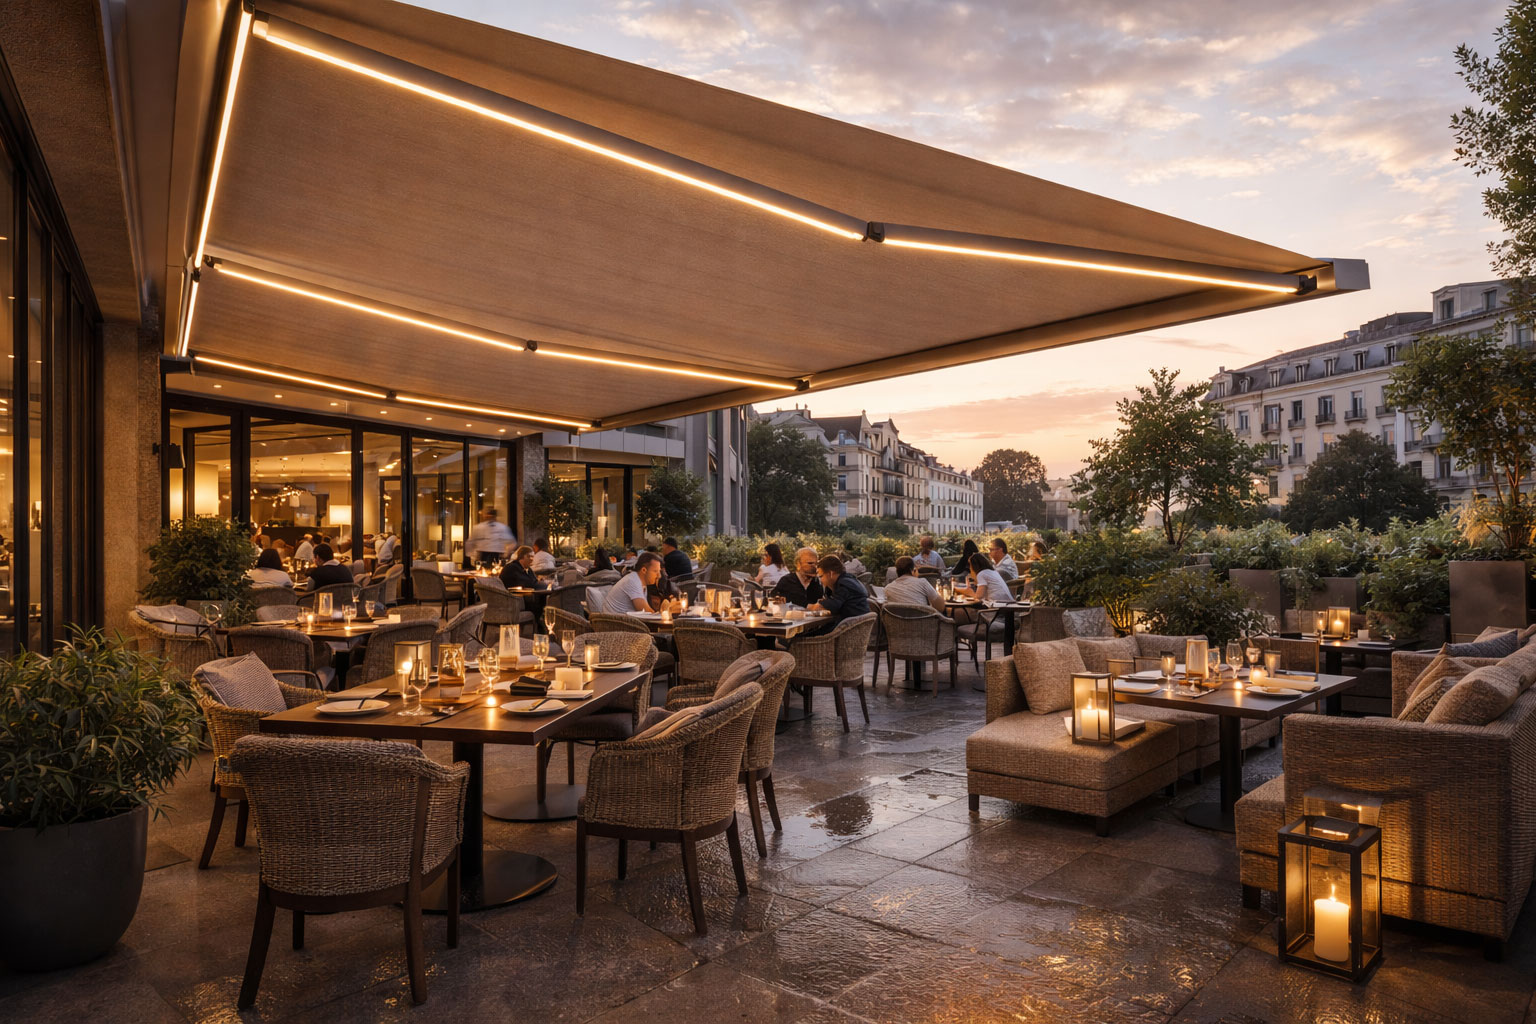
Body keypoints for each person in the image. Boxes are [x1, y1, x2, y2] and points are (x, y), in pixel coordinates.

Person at [807, 555, 869, 634]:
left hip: (848, 630)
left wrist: (816, 606)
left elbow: (834, 605)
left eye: (821, 576)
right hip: (856, 628)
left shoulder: (844, 584)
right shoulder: (850, 579)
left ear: (831, 573)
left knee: (800, 638)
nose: (820, 580)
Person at [603, 551, 676, 613]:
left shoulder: (640, 582)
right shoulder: (632, 581)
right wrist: (668, 611)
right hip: (617, 625)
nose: (659, 576)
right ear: (644, 570)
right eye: (655, 571)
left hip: (627, 622)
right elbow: (645, 611)